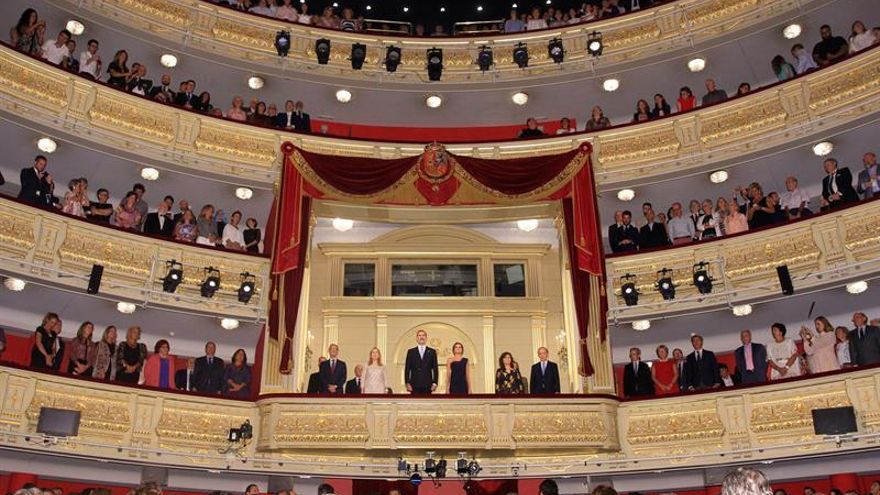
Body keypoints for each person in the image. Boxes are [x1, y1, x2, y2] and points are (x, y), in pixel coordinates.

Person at [404, 329, 438, 394]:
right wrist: (407, 383)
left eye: (423, 335)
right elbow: (407, 369)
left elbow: (435, 369)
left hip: (428, 385)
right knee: (415, 404)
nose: (421, 337)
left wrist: (435, 383)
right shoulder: (411, 352)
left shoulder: (432, 352)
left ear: (426, 338)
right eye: (419, 335)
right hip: (414, 384)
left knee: (427, 404)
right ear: (417, 338)